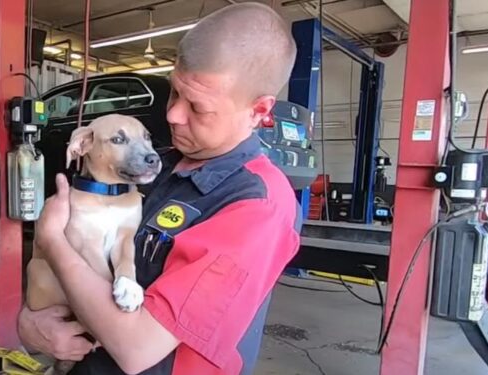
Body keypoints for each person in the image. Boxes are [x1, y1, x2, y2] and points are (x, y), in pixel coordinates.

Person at [18, 3, 301, 374]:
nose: (173, 115)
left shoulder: (255, 206)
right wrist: (31, 322)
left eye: (197, 107)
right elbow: (73, 275)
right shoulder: (158, 166)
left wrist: (52, 240)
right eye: (174, 93)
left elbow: (135, 349)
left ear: (258, 110)